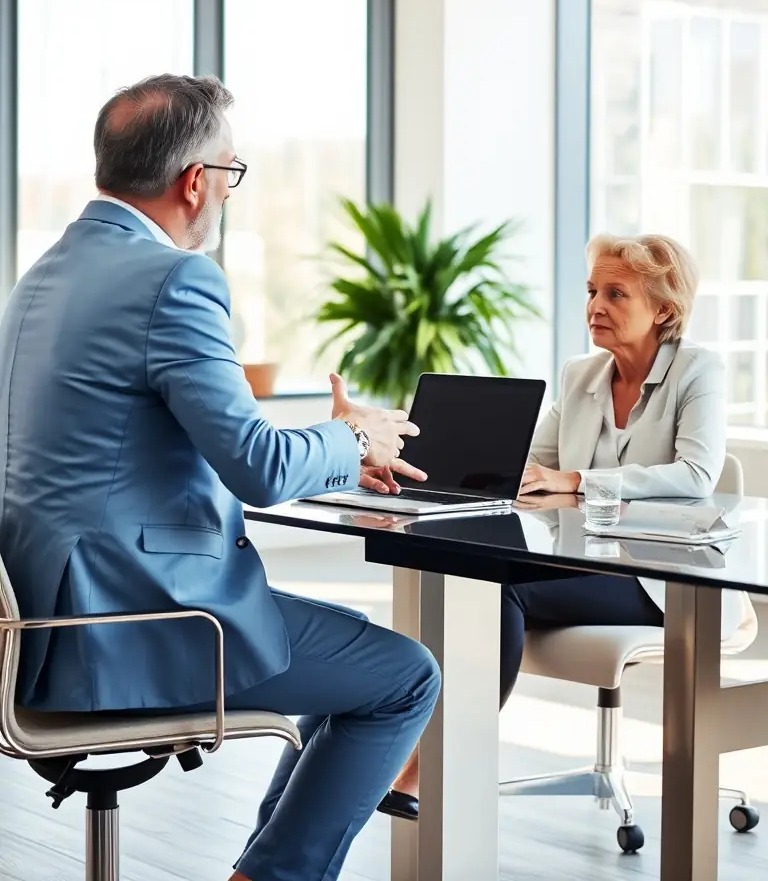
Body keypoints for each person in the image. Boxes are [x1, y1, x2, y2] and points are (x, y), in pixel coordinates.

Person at [0, 74, 441, 881]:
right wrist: (352, 435)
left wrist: (345, 447)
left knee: (335, 657)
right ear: (195, 181)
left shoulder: (39, 282)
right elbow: (264, 470)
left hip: (35, 630)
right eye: (231, 174)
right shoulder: (174, 279)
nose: (229, 195)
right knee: (404, 677)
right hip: (133, 628)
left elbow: (121, 446)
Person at [379, 231, 732, 822]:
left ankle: (428, 766)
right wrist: (461, 469)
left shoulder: (699, 371)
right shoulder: (580, 374)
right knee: (476, 580)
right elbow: (532, 467)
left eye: (616, 294)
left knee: (503, 588)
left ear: (664, 310)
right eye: (592, 290)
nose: (595, 305)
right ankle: (425, 753)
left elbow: (695, 475)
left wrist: (577, 482)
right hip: (582, 566)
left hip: (662, 578)